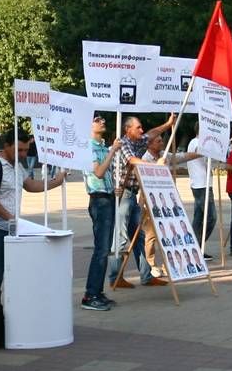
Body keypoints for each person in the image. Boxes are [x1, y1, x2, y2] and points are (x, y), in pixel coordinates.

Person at [0, 127, 64, 296]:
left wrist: (56, 181)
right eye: (19, 150)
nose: (23, 154)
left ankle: (2, 315)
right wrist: (10, 218)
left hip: (11, 229)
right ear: (6, 146)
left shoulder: (16, 166)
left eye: (26, 150)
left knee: (12, 275)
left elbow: (31, 185)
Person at [110, 115, 174, 286]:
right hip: (124, 196)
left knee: (138, 236)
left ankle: (146, 275)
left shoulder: (137, 141)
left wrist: (167, 124)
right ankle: (115, 277)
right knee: (121, 237)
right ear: (127, 130)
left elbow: (152, 133)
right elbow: (133, 161)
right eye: (138, 127)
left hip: (132, 194)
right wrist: (155, 166)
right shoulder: (124, 144)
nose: (141, 130)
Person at [141, 132, 200, 281]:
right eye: (158, 141)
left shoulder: (164, 155)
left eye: (162, 141)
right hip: (152, 203)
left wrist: (200, 153)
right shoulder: (145, 159)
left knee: (169, 234)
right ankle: (151, 265)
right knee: (151, 236)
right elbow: (144, 182)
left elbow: (181, 157)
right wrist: (142, 204)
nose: (162, 144)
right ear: (149, 144)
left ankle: (170, 265)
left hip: (168, 202)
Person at [82, 116, 122, 312]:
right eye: (97, 119)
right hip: (99, 200)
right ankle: (90, 294)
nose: (102, 121)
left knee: (104, 249)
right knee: (101, 249)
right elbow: (97, 172)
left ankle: (97, 291)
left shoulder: (104, 147)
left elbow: (107, 174)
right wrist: (113, 151)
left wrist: (115, 188)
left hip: (107, 197)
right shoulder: (88, 147)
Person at [185, 125, 222, 250]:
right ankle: (198, 246)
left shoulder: (198, 142)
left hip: (202, 183)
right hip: (201, 185)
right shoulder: (196, 143)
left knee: (199, 217)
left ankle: (193, 245)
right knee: (211, 217)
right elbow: (200, 151)